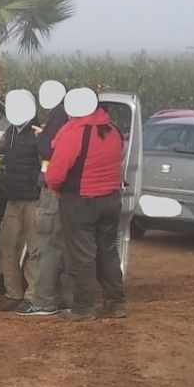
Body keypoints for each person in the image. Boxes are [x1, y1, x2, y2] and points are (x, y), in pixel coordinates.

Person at [44, 91, 127, 321]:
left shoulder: (74, 134)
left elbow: (56, 173)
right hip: (111, 198)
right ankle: (116, 302)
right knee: (107, 251)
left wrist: (53, 185)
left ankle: (83, 307)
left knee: (82, 256)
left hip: (81, 200)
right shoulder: (113, 130)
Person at [17, 101, 73, 317]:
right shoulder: (84, 122)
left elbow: (48, 150)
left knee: (48, 244)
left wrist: (42, 137)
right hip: (76, 193)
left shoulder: (60, 115)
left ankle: (43, 301)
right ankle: (68, 299)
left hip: (55, 189)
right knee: (70, 244)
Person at [0, 117, 41, 312]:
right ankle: (13, 293)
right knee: (7, 247)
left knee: (35, 249)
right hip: (13, 199)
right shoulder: (10, 132)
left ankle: (32, 296)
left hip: (34, 200)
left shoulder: (38, 133)